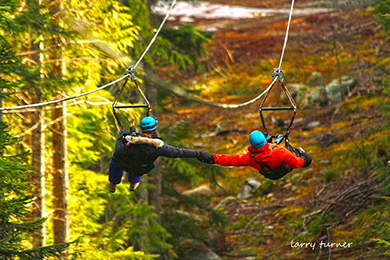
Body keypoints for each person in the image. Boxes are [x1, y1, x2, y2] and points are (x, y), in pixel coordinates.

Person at [108, 116, 202, 193]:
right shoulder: (158, 147)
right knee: (138, 162)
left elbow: (119, 154)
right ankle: (134, 183)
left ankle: (113, 183)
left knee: (116, 159)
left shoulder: (131, 144)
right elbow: (179, 152)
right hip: (141, 168)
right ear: (155, 129)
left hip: (128, 165)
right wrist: (197, 154)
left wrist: (124, 141)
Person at [197, 130, 312, 180]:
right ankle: (301, 153)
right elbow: (296, 163)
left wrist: (213, 158)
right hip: (283, 166)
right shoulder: (280, 152)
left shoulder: (249, 158)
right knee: (299, 153)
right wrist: (303, 158)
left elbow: (231, 160)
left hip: (272, 173)